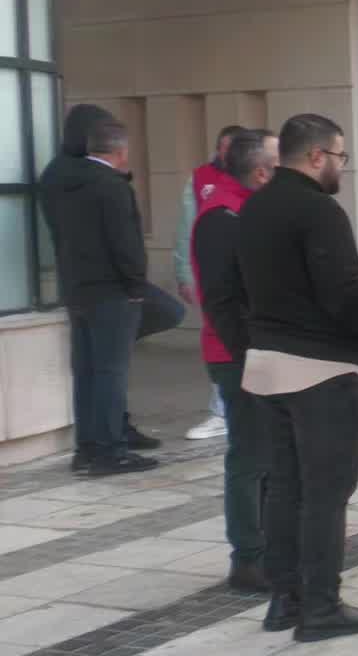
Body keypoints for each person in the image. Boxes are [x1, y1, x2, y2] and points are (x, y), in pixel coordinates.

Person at [223, 114, 358, 640]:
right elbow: (344, 295)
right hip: (321, 369)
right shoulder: (319, 211)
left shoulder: (251, 208)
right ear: (317, 156)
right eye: (340, 157)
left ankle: (285, 600)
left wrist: (252, 342)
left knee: (285, 489)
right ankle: (320, 606)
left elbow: (230, 291)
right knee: (325, 494)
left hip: (266, 365)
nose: (342, 168)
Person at [40, 110, 182, 475]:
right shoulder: (112, 186)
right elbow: (126, 245)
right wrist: (135, 287)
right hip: (113, 292)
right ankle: (110, 451)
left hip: (77, 287)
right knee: (110, 373)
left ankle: (87, 449)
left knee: (88, 371)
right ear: (120, 151)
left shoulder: (56, 178)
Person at [191, 129, 278, 592]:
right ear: (258, 169)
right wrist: (250, 355)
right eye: (277, 161)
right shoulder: (223, 215)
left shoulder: (244, 207)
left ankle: (264, 545)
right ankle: (248, 556)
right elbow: (226, 299)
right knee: (249, 454)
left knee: (264, 453)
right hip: (236, 353)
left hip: (253, 349)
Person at [175, 124, 251, 443]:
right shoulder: (200, 179)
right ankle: (220, 412)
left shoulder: (255, 182)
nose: (225, 152)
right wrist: (184, 273)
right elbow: (186, 229)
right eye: (222, 146)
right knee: (220, 342)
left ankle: (233, 410)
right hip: (212, 277)